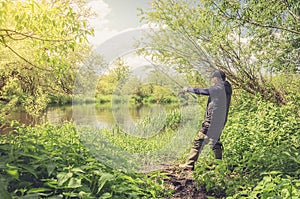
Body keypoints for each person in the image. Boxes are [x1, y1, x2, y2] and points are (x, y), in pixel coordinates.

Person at [179, 70, 232, 170]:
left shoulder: (219, 88)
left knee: (199, 140)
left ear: (217, 78)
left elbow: (205, 91)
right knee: (215, 141)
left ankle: (189, 164)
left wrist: (188, 89)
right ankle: (219, 165)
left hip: (212, 120)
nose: (212, 81)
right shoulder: (227, 87)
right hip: (221, 120)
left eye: (213, 79)